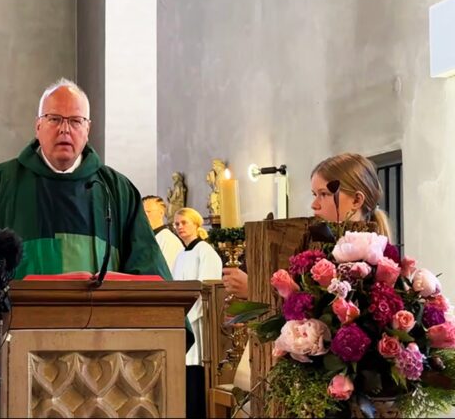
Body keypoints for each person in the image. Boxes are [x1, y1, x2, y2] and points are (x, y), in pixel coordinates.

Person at [0, 78, 175, 419]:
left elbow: (148, 268)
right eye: (55, 119)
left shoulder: (116, 190)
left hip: (103, 355)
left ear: (88, 129)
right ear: (38, 125)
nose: (65, 129)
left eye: (75, 121)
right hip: (12, 345)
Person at [221, 152, 392, 413]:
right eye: (314, 194)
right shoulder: (320, 244)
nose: (314, 204)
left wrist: (253, 290)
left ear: (357, 199)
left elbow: (326, 318)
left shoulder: (372, 259)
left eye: (323, 194)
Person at [171, 207, 223, 418]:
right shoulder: (181, 255)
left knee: (195, 370)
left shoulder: (205, 251)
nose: (180, 227)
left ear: (196, 224)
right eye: (176, 224)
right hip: (182, 319)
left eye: (184, 222)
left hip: (197, 320)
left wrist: (187, 317)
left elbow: (206, 289)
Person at [142, 195, 184, 271]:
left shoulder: (169, 241)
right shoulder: (145, 238)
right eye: (142, 212)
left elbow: (167, 272)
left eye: (148, 212)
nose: (144, 215)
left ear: (161, 213)